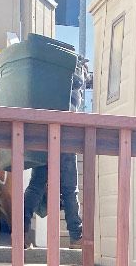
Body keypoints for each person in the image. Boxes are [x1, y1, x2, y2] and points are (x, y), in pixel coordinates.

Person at [23, 57, 90, 249]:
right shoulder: (73, 79)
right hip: (66, 135)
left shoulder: (47, 78)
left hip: (43, 133)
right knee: (70, 188)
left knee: (36, 185)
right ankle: (76, 236)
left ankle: (21, 233)